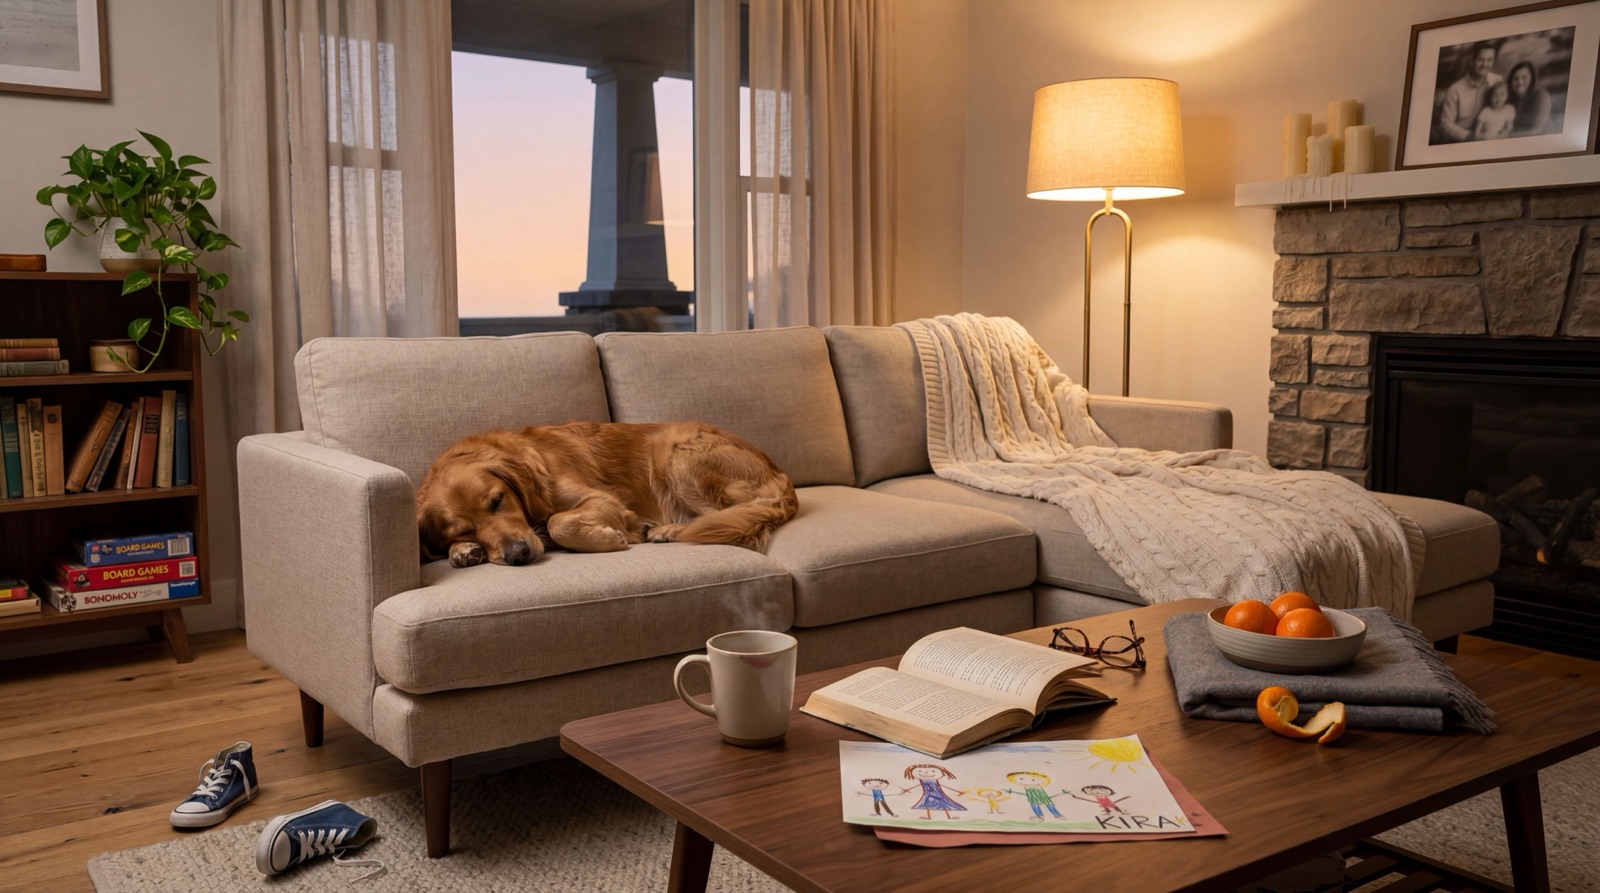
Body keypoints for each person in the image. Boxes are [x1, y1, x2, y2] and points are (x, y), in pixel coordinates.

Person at [1438, 42, 1504, 142]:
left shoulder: (1497, 81)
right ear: (1471, 61)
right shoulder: (1455, 89)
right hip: (1462, 140)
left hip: (1491, 137)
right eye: (1481, 60)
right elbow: (1446, 124)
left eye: (1489, 60)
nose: (1485, 65)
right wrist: (1470, 136)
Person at [1507, 60, 1554, 136]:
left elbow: (1538, 129)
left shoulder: (1542, 96)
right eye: (1515, 78)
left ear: (1532, 79)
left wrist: (1508, 136)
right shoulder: (1509, 98)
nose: (1520, 82)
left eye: (1524, 77)